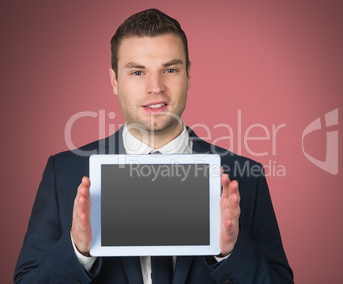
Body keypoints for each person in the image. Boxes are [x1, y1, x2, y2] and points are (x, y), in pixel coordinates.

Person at [14, 8, 293, 284]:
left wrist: (231, 253)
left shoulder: (244, 176)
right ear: (114, 80)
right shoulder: (62, 173)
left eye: (170, 69)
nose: (156, 87)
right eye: (137, 72)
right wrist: (78, 251)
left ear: (188, 75)